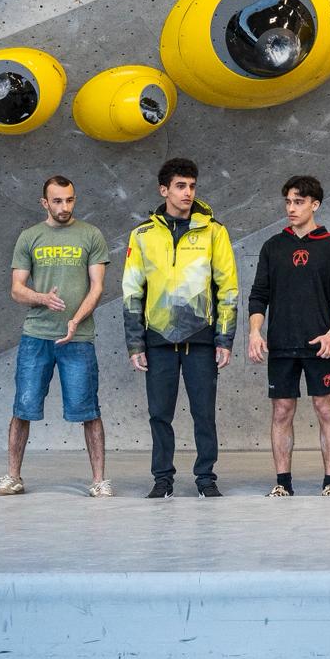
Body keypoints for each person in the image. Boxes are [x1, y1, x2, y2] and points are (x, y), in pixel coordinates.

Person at [122, 158, 238, 499]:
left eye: (192, 186)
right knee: (159, 415)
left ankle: (206, 479)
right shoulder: (142, 235)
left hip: (201, 338)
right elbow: (131, 291)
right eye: (180, 186)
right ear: (164, 190)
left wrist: (225, 338)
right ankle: (162, 480)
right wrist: (135, 343)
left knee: (204, 414)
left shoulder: (214, 231)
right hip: (158, 339)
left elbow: (228, 288)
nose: (188, 192)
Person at [0, 174, 110, 497]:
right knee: (23, 406)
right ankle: (13, 477)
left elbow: (97, 287)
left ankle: (99, 480)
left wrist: (75, 320)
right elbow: (16, 289)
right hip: (36, 336)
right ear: (44, 203)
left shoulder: (91, 235)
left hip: (78, 338)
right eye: (57, 201)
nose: (64, 207)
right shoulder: (30, 237)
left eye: (69, 199)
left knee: (88, 410)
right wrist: (42, 298)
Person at [247, 176, 330, 497]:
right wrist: (255, 332)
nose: (291, 208)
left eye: (298, 202)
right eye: (288, 202)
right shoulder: (273, 246)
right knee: (282, 411)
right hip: (281, 345)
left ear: (315, 205)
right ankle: (283, 483)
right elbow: (258, 295)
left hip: (320, 346)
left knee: (326, 410)